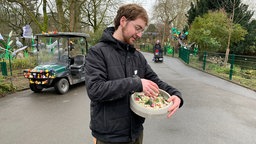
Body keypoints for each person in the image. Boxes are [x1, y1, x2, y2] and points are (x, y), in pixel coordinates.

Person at [85, 3, 183, 144]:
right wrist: (135, 83)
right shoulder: (98, 52)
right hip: (109, 137)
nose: (140, 35)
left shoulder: (137, 56)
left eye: (142, 30)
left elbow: (155, 81)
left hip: (135, 133)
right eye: (137, 28)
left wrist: (176, 94)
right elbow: (95, 90)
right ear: (123, 21)